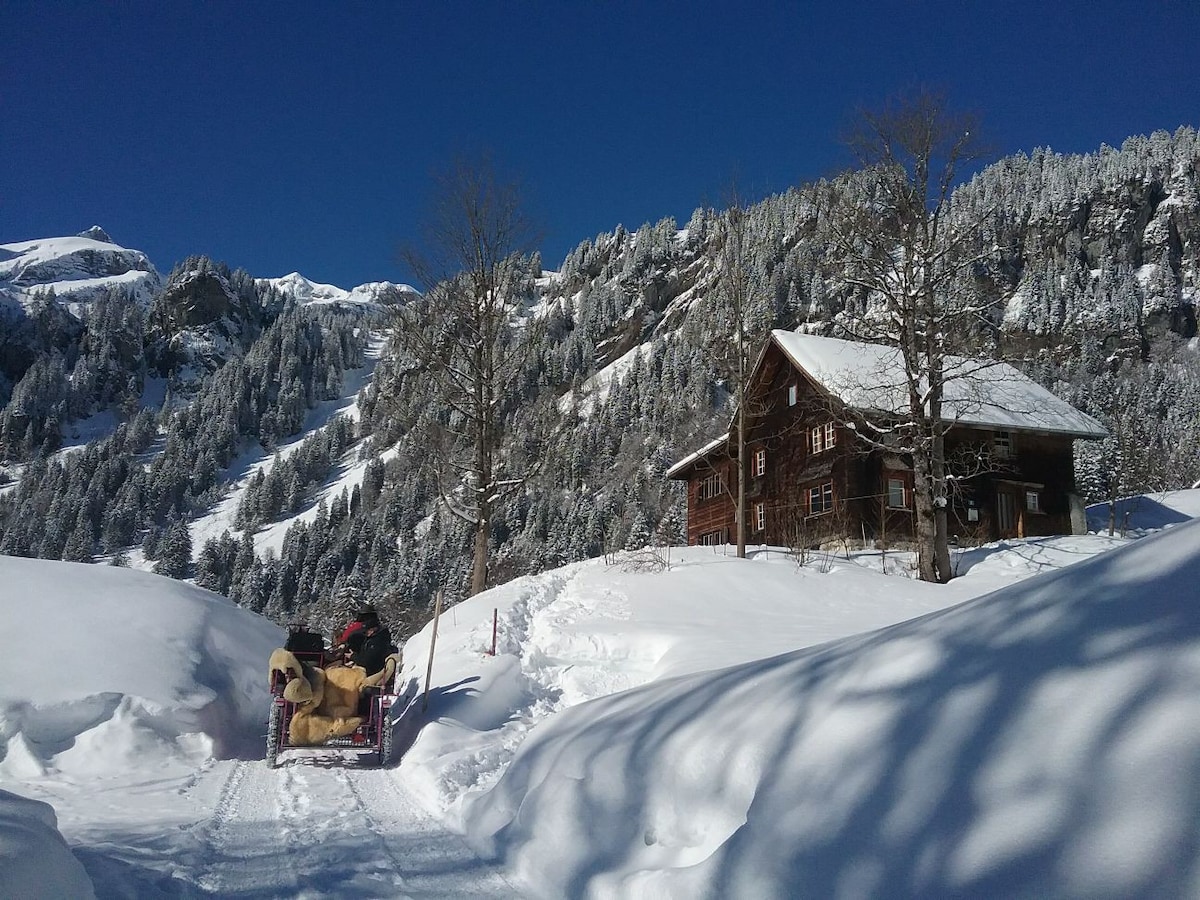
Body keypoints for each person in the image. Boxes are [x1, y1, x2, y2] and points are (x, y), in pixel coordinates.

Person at [350, 607, 395, 678]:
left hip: (371, 674)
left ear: (373, 629)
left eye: (367, 630)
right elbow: (364, 655)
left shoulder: (378, 641)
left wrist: (352, 656)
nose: (365, 633)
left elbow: (367, 662)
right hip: (366, 671)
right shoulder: (371, 639)